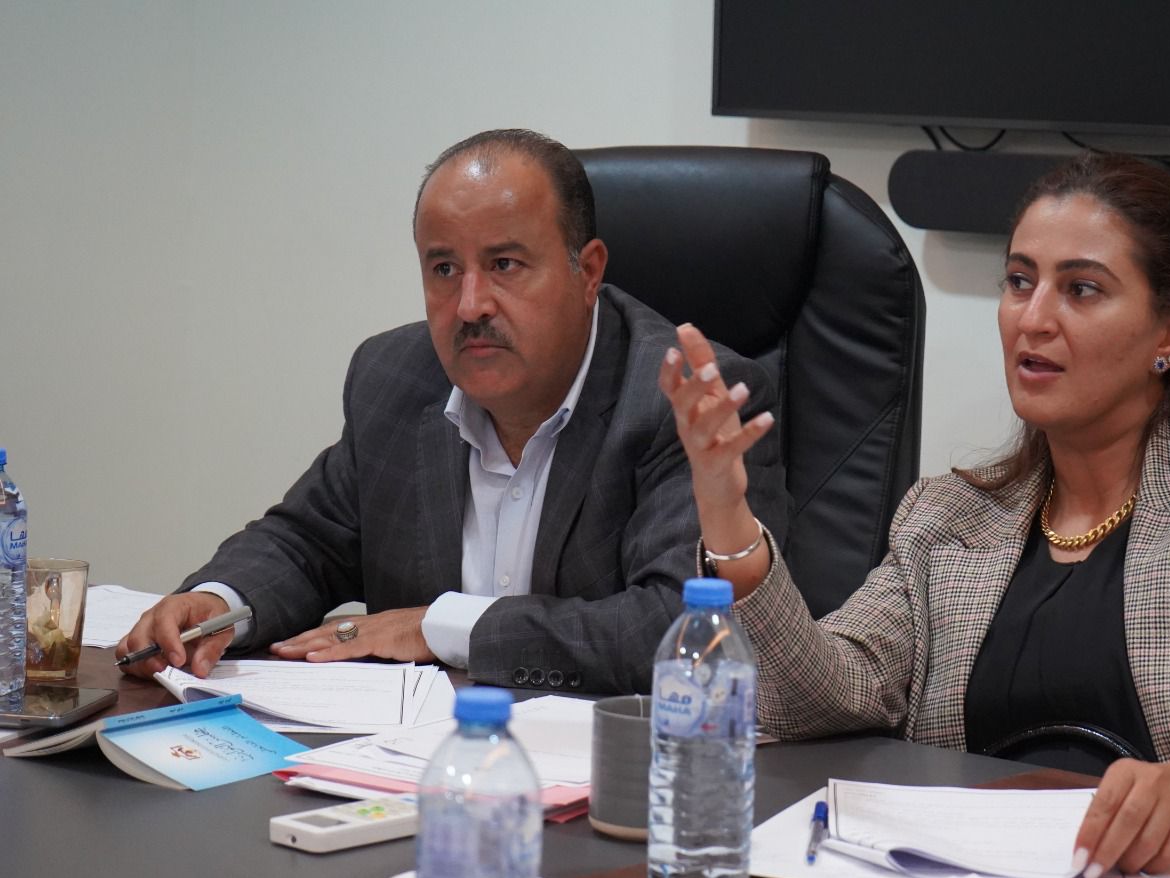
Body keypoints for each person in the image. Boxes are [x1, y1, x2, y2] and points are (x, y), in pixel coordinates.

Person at [660, 153, 1170, 878]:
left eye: (1082, 289)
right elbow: (817, 699)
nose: (1033, 318)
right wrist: (727, 510)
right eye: (1019, 281)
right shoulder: (948, 514)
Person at [116, 129, 785, 694]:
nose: (470, 305)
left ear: (587, 273)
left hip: (612, 779)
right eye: (443, 269)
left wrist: (440, 627)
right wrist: (218, 603)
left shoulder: (686, 399)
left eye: (504, 264)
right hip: (401, 768)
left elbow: (685, 628)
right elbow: (308, 541)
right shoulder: (395, 377)